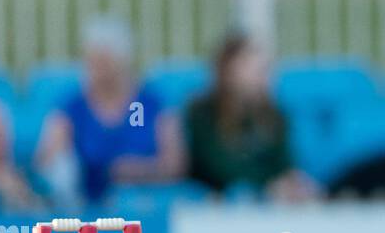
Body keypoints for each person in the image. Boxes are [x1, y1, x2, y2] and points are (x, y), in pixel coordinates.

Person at [35, 17, 185, 203]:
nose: (97, 69)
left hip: (145, 202)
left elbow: (174, 164)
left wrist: (136, 170)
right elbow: (46, 163)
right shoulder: (70, 108)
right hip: (85, 206)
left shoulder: (151, 106)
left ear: (123, 61)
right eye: (92, 60)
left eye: (104, 61)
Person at [186, 34, 317, 201]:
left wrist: (293, 183)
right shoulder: (202, 112)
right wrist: (267, 186)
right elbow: (216, 168)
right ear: (229, 70)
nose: (263, 76)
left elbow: (284, 163)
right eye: (254, 68)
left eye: (265, 69)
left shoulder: (274, 114)